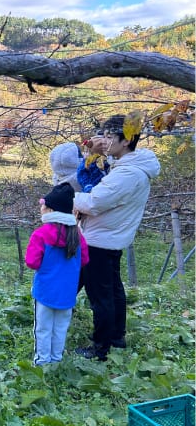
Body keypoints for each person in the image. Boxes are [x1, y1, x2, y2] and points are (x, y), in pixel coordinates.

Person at [73, 114, 161, 361]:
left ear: (126, 141)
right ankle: (116, 337)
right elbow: (99, 180)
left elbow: (96, 202)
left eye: (110, 137)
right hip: (109, 236)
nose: (106, 141)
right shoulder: (128, 166)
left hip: (100, 240)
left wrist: (69, 201)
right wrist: (93, 149)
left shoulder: (128, 173)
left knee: (100, 297)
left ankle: (100, 348)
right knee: (112, 290)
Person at [25, 183, 89, 365]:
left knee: (43, 328)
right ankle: (56, 359)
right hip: (67, 293)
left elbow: (32, 262)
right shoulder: (77, 234)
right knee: (60, 328)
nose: (41, 209)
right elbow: (84, 260)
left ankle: (42, 361)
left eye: (43, 206)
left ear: (50, 209)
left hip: (45, 291)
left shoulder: (41, 234)